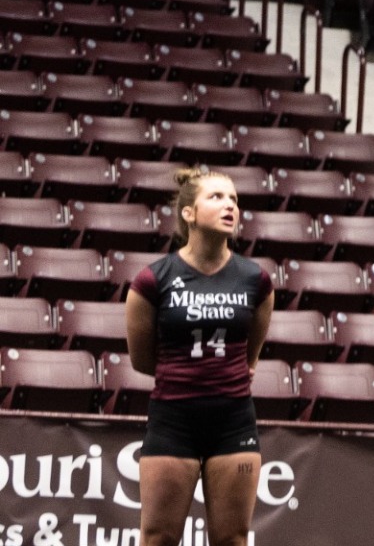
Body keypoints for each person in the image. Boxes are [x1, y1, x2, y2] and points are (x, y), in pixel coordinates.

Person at [125, 167, 275, 546]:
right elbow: (142, 360)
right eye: (217, 197)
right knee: (157, 538)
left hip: (234, 422)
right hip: (173, 419)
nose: (230, 206)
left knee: (232, 539)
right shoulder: (152, 280)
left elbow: (249, 355)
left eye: (234, 199)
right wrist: (188, 373)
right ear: (188, 213)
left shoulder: (256, 280)